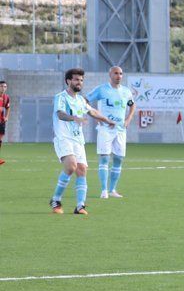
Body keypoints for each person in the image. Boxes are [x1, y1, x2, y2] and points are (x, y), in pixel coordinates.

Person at [49, 68, 115, 215]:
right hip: (63, 138)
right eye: (76, 79)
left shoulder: (80, 100)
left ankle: (80, 206)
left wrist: (107, 120)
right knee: (71, 166)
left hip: (78, 140)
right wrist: (74, 118)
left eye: (81, 80)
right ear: (68, 81)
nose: (79, 82)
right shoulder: (61, 97)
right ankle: (56, 199)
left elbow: (92, 112)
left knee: (82, 170)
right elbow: (60, 114)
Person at [86, 67, 136, 198]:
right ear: (110, 75)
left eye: (120, 73)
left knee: (118, 159)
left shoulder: (126, 91)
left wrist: (128, 119)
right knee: (104, 158)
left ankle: (112, 190)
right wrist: (97, 117)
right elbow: (85, 101)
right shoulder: (102, 89)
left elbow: (132, 105)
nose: (118, 76)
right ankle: (104, 190)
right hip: (105, 129)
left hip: (120, 130)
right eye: (116, 73)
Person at [0, 80, 9, 166]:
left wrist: (7, 117)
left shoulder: (6, 97)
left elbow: (8, 107)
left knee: (0, 139)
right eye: (2, 86)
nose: (3, 88)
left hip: (2, 121)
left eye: (5, 87)